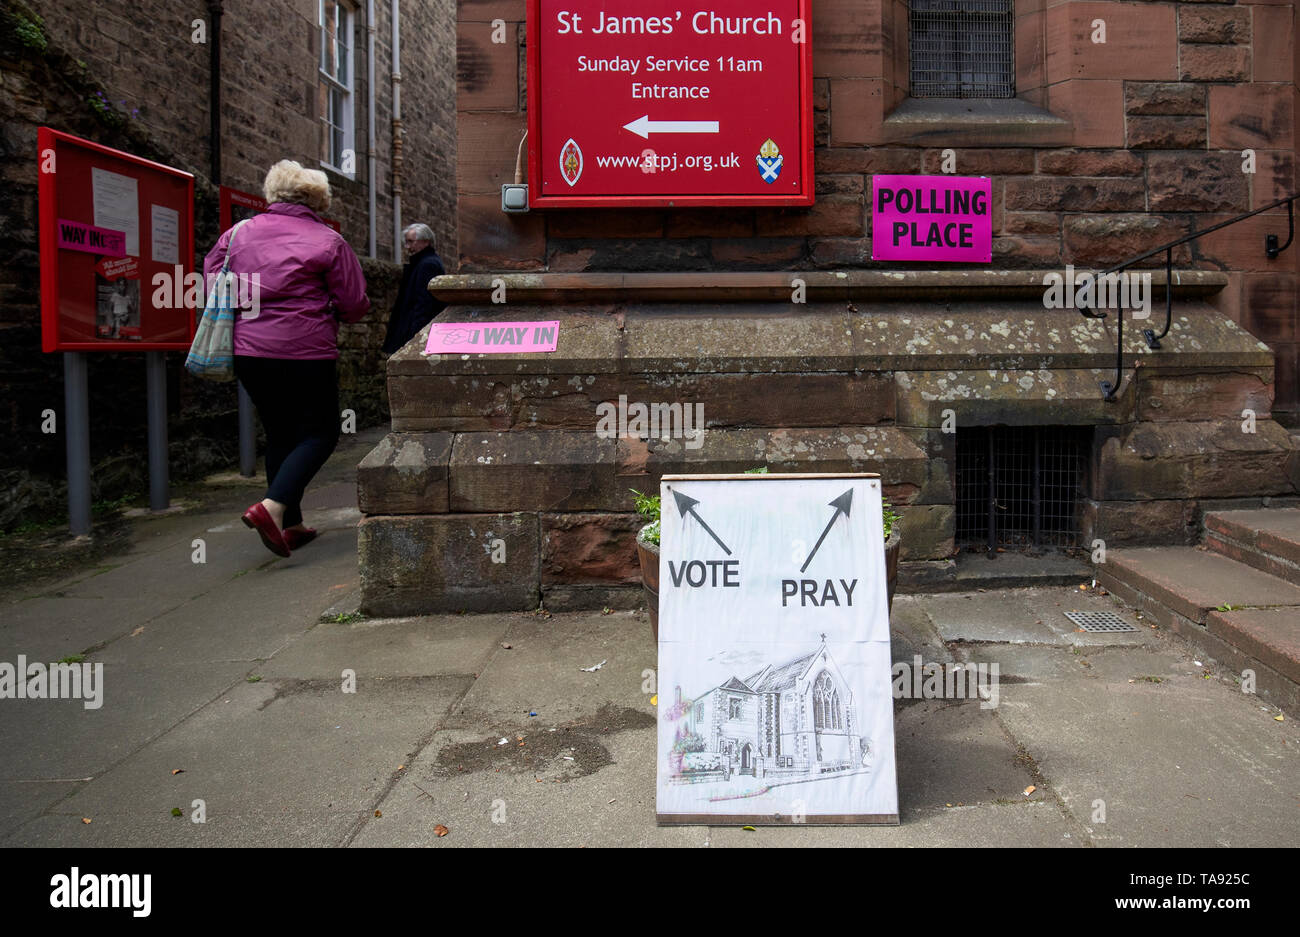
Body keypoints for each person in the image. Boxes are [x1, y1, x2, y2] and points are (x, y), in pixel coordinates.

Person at [203, 159, 369, 557]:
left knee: (280, 432)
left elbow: (211, 281)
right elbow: (355, 303)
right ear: (318, 198)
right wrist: (327, 310)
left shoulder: (236, 235)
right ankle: (272, 507)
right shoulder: (328, 241)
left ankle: (290, 524)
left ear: (272, 192)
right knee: (321, 433)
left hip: (250, 352)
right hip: (306, 350)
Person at [381, 223, 446, 355]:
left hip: (413, 333)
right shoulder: (422, 263)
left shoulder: (427, 265)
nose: (408, 247)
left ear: (426, 241)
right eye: (406, 242)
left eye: (411, 242)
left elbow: (424, 304)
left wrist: (415, 337)